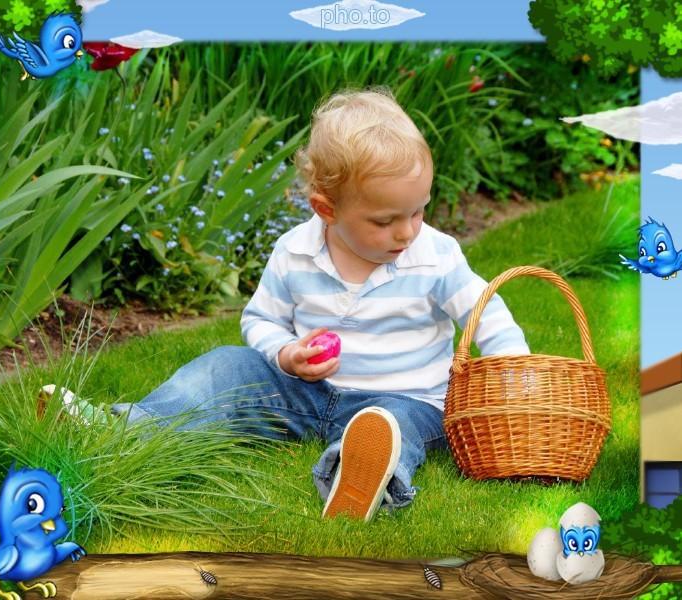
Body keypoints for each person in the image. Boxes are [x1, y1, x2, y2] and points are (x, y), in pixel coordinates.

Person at [58, 87, 529, 522]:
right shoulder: (293, 252)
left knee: (395, 426)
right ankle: (123, 428)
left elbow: (485, 312)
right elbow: (260, 319)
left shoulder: (435, 255)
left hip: (407, 398)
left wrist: (517, 374)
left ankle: (362, 474)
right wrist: (286, 354)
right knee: (226, 369)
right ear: (327, 209)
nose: (407, 231)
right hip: (306, 394)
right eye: (385, 220)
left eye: (418, 210)